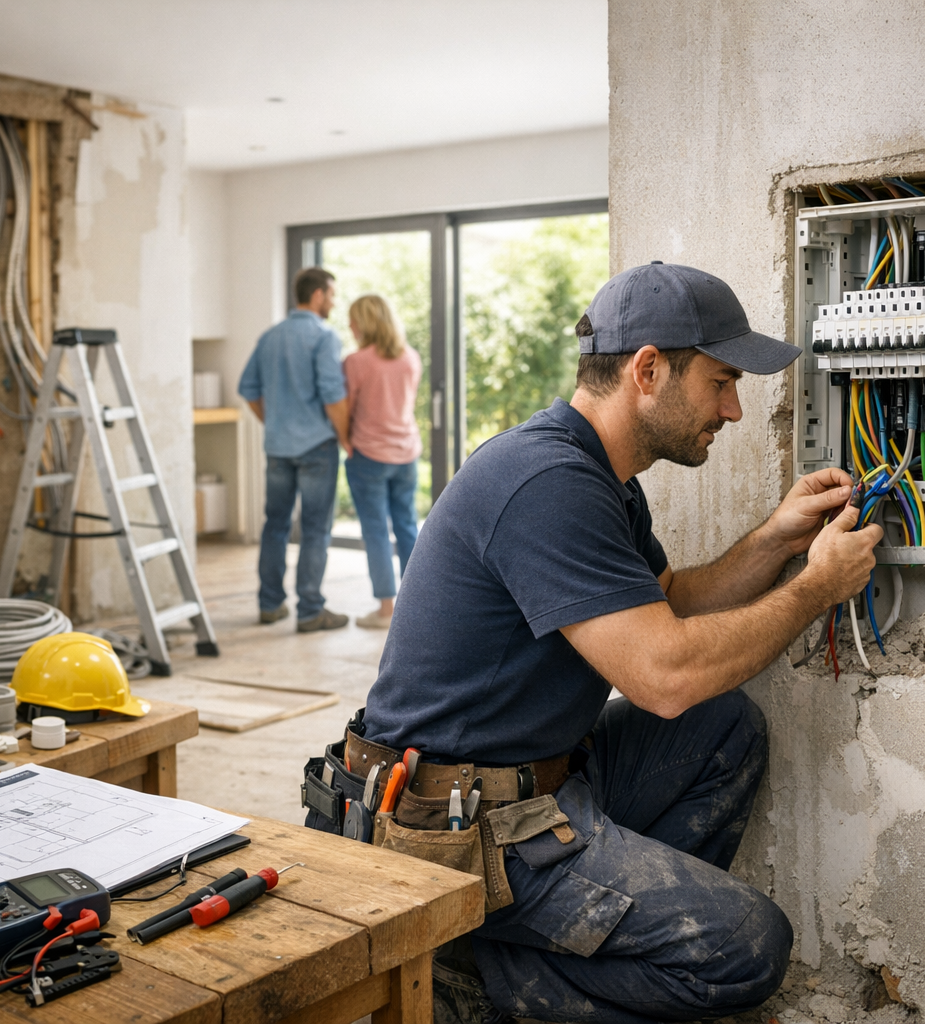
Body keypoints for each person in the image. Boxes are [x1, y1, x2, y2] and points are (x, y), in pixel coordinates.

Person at [308, 263, 883, 1023]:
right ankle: (481, 984)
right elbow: (664, 675)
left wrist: (777, 542)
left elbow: (670, 604)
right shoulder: (546, 481)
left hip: (535, 787)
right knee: (747, 945)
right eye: (720, 381)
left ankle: (538, 944)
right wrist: (815, 589)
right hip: (446, 829)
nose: (735, 409)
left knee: (726, 730)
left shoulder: (602, 475)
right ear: (649, 369)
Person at [238, 267, 351, 633]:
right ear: (317, 295)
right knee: (316, 529)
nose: (333, 301)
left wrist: (274, 423)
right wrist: (345, 436)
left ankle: (269, 605)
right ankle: (310, 611)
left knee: (275, 525)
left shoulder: (270, 336)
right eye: (331, 294)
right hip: (317, 446)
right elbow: (333, 394)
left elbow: (248, 388)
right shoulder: (324, 336)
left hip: (278, 447)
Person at [343, 294, 423, 629]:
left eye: (354, 320)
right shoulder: (410, 358)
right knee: (407, 526)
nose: (350, 326)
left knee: (376, 530)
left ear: (366, 323)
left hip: (369, 456)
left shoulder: (357, 362)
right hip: (406, 454)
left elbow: (346, 408)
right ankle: (418, 602)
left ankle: (386, 608)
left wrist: (345, 440)